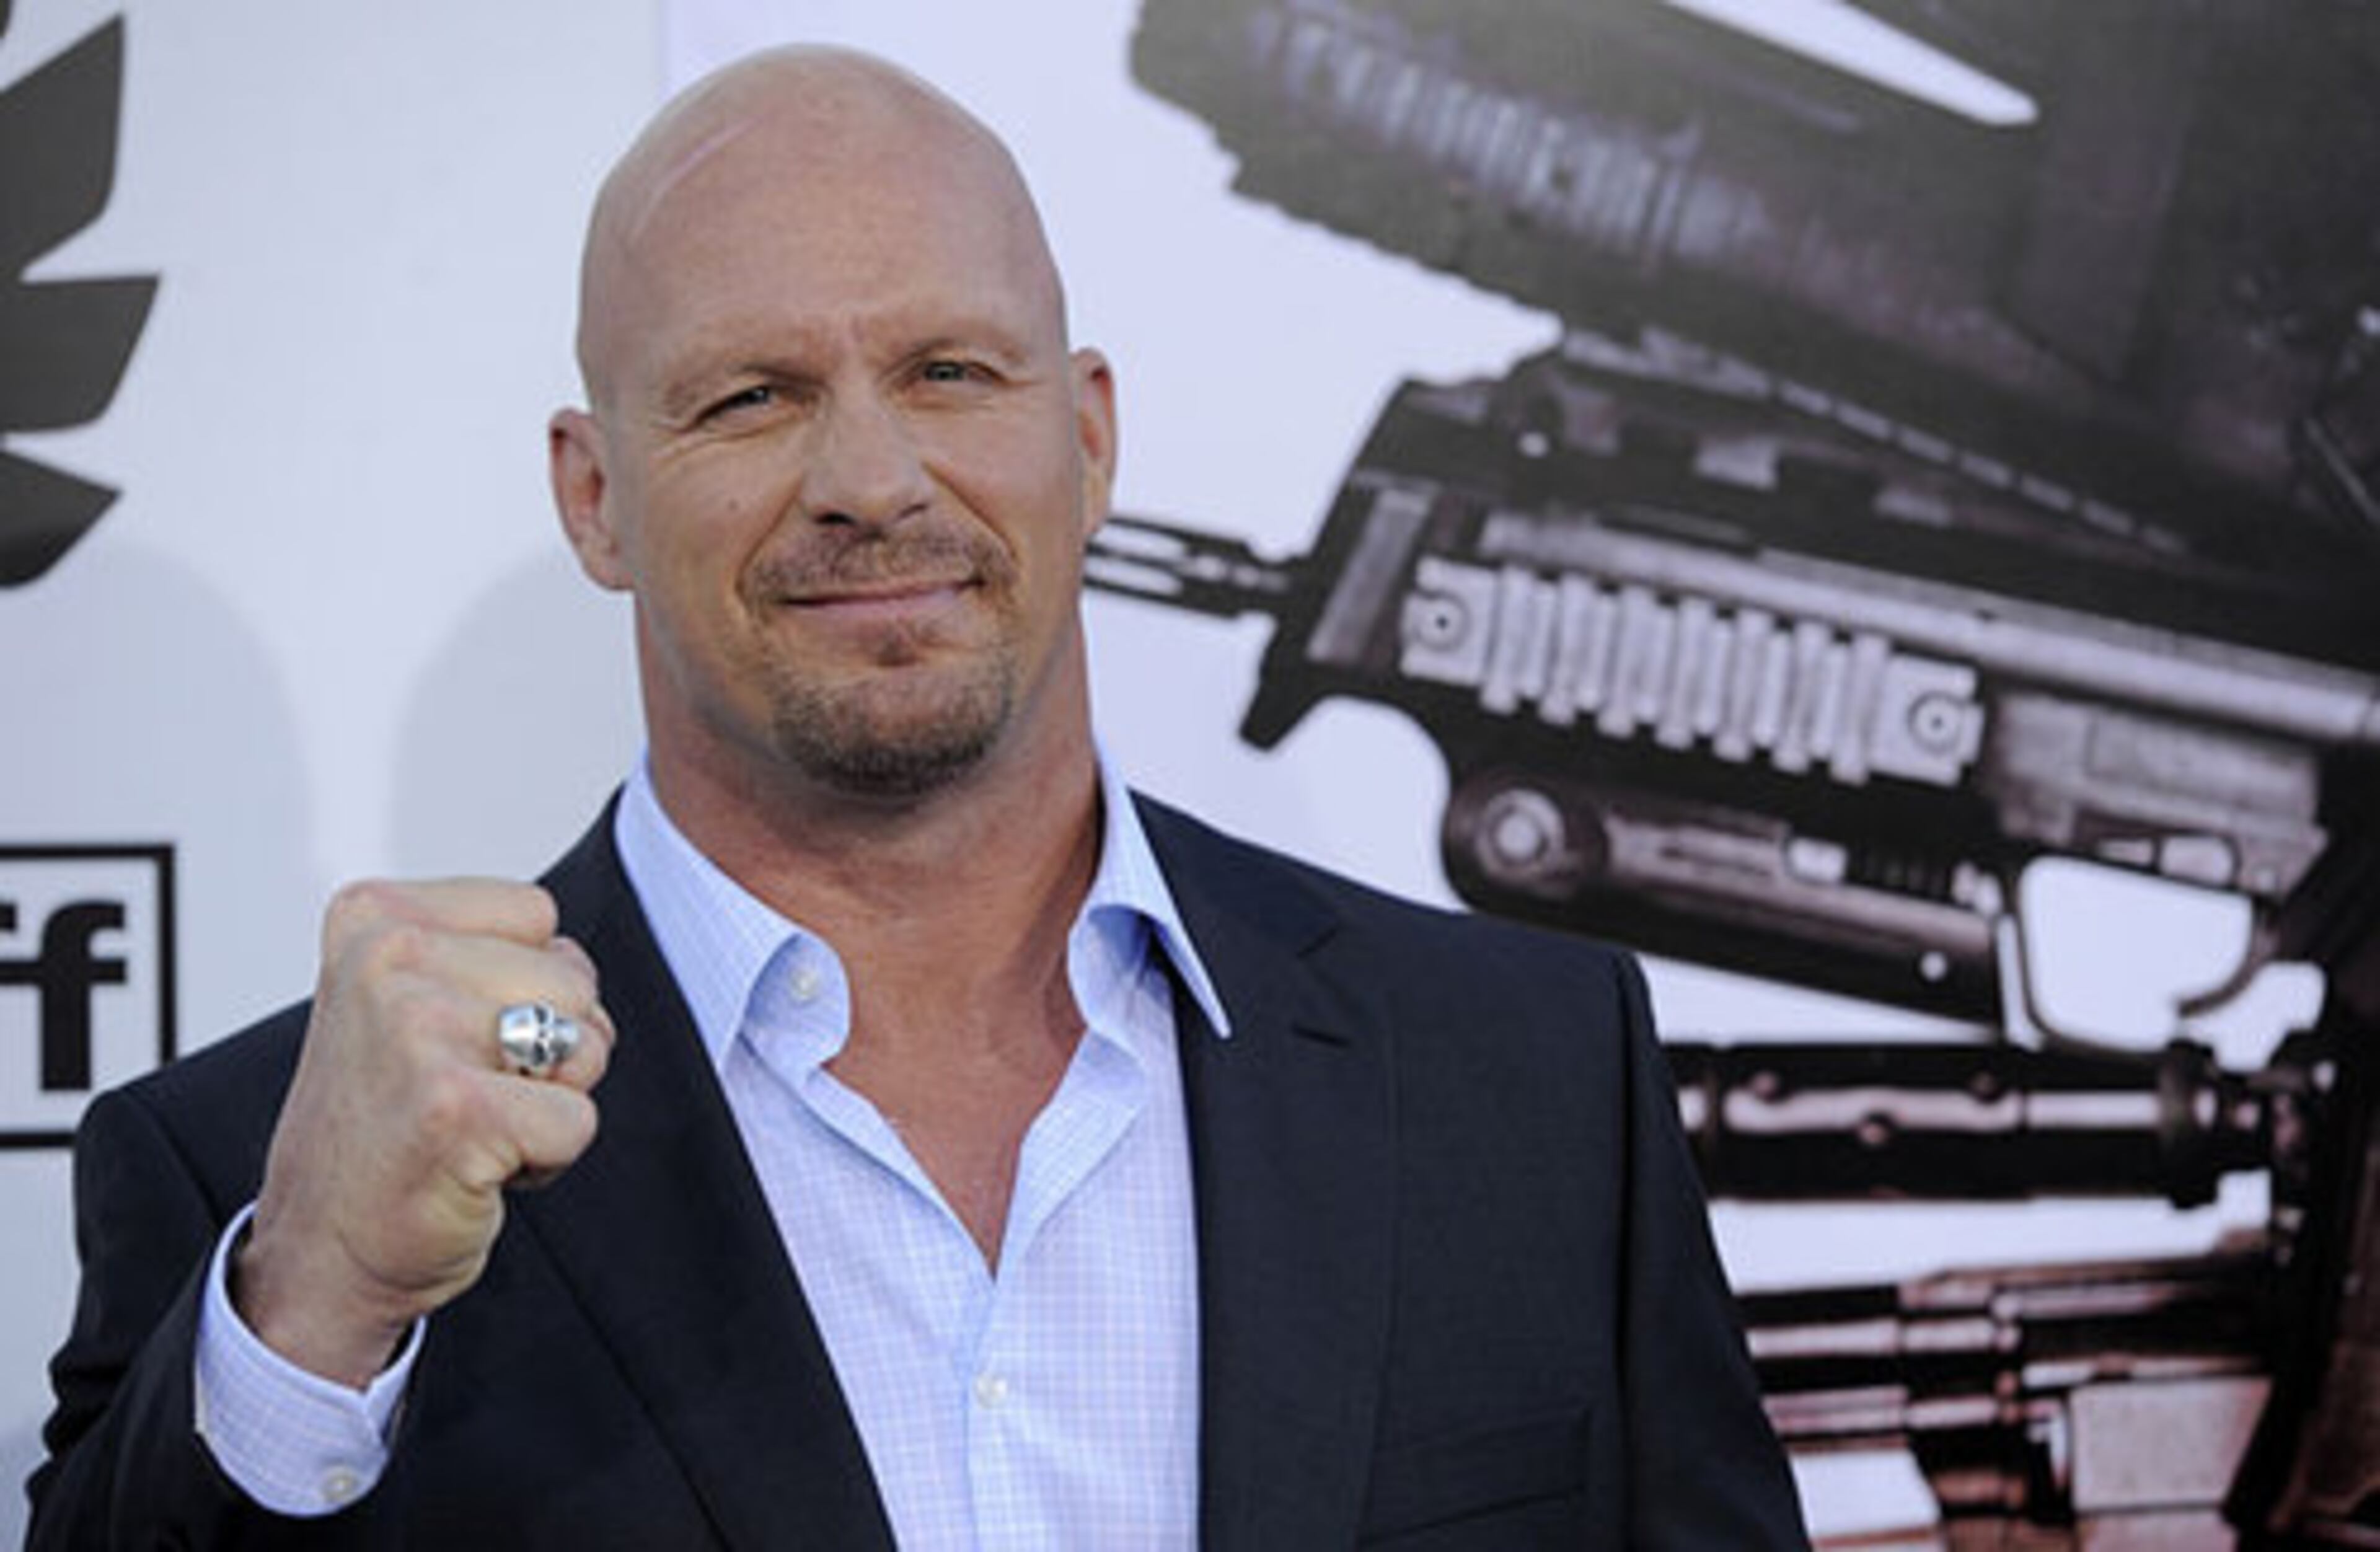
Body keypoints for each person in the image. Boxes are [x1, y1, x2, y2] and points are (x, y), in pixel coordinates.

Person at [25, 45, 1807, 1550]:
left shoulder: (1527, 1076)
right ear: (593, 498)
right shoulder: (272, 1182)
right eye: (749, 397)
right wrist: (315, 1310)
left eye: (951, 371)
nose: (870, 480)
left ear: (1088, 438)